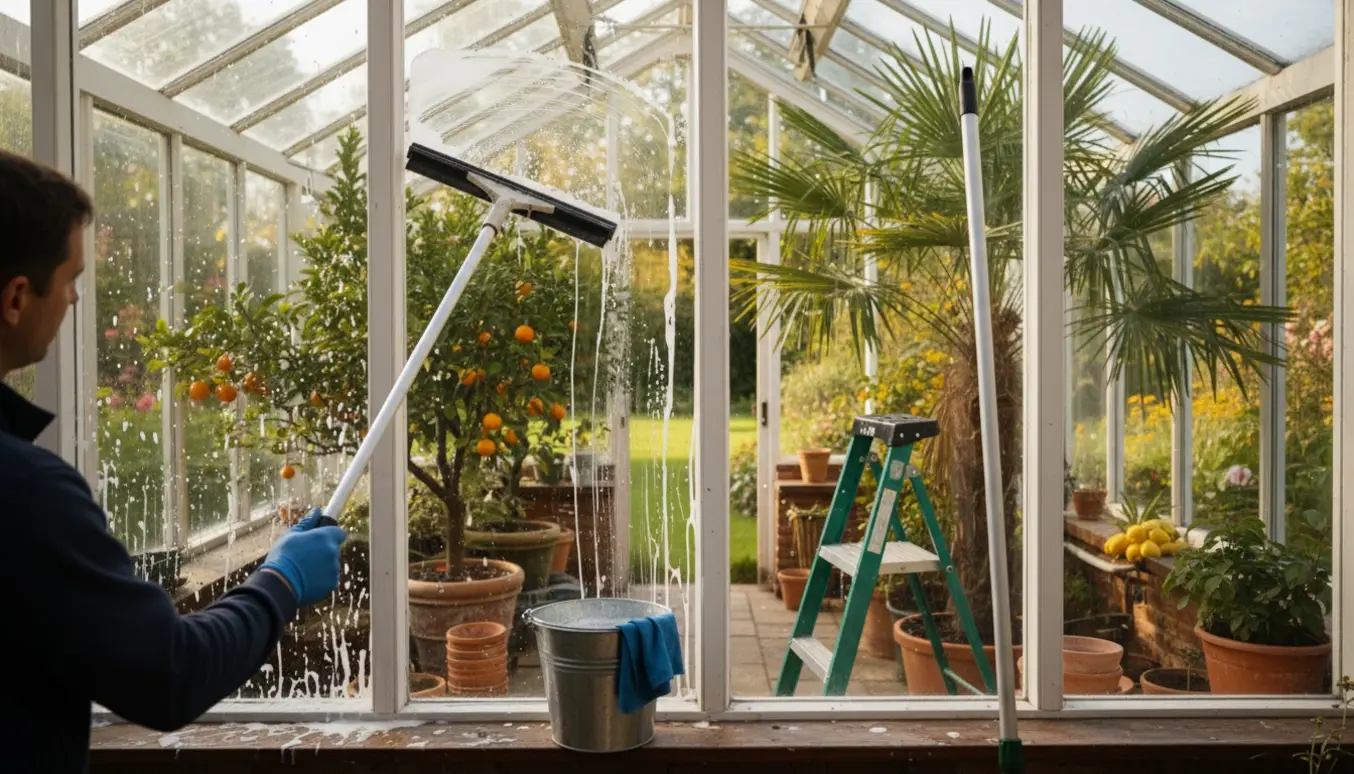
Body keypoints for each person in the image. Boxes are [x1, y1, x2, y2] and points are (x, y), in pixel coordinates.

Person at [0, 150, 347, 772]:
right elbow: (167, 673)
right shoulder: (25, 492)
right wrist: (280, 582)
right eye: (72, 277)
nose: (78, 299)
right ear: (17, 297)